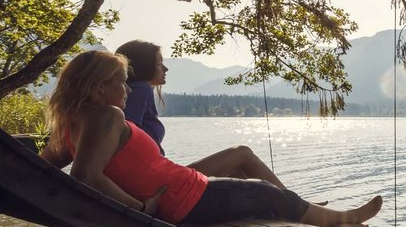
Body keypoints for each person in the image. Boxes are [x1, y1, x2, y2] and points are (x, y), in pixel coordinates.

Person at [41, 50, 382, 227]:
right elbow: (85, 176)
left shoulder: (70, 125)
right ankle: (339, 219)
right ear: (99, 88)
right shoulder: (107, 117)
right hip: (184, 200)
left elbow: (45, 167)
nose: (128, 90)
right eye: (121, 83)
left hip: (184, 191)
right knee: (266, 194)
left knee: (256, 184)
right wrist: (140, 208)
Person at [115, 39, 287, 187]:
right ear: (144, 67)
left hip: (156, 175)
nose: (165, 69)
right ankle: (296, 206)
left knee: (241, 173)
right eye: (159, 64)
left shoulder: (136, 92)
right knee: (242, 153)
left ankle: (287, 207)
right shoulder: (140, 90)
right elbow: (127, 140)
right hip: (156, 180)